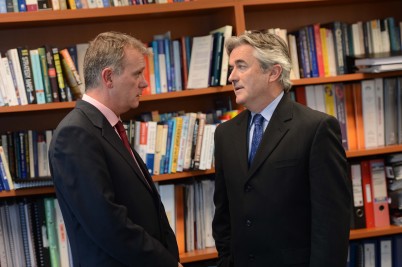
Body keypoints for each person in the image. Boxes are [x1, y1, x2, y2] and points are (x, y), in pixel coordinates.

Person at [212, 31, 351, 267]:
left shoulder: (316, 128)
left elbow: (331, 224)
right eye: (231, 68)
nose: (231, 77)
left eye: (241, 66)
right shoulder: (225, 134)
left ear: (273, 72)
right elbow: (223, 215)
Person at [48, 31, 183, 267]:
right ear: (108, 77)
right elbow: (108, 224)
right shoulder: (75, 134)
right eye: (137, 73)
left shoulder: (109, 126)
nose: (144, 82)